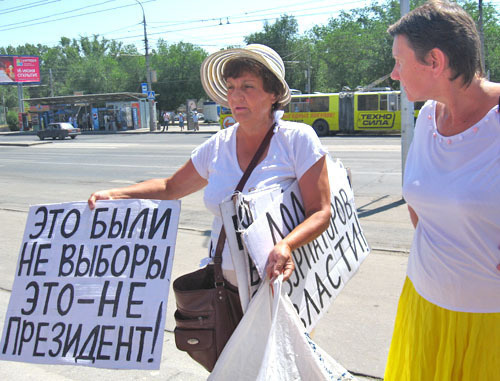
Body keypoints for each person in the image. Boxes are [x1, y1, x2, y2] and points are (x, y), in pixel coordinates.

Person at [88, 43, 330, 295]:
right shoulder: (217, 145)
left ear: (273, 94)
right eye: (231, 87)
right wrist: (115, 195)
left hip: (281, 281)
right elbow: (170, 187)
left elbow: (320, 212)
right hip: (225, 287)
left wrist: (286, 245)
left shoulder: (297, 139)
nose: (236, 96)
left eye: (248, 86)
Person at [384, 2, 500, 380]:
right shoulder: (427, 120)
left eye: (400, 62)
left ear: (434, 61)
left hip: (489, 322)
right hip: (425, 303)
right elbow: (421, 204)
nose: (393, 74)